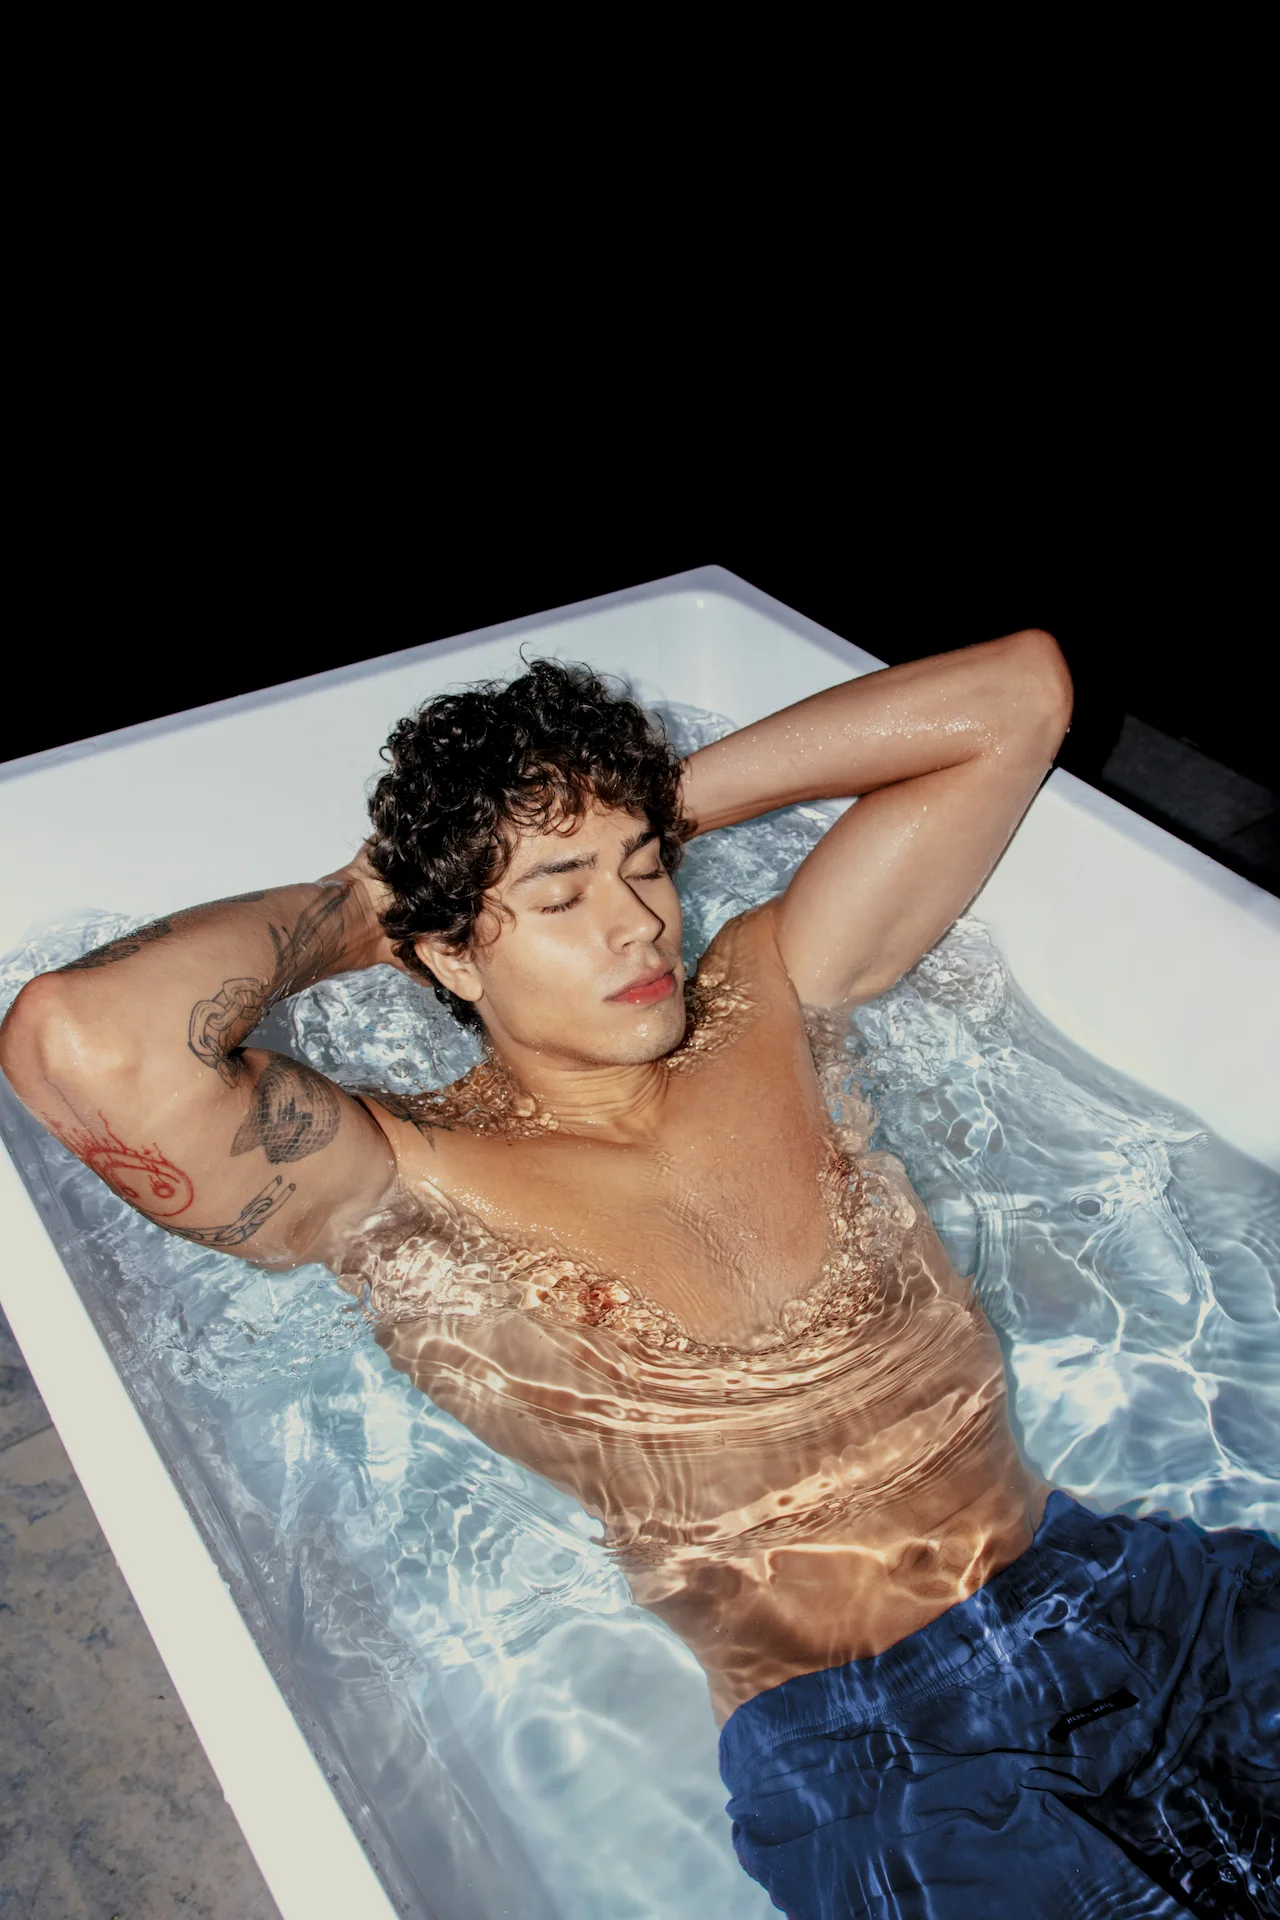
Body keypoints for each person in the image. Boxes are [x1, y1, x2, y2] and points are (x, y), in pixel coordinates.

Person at [1, 637, 1275, 1919]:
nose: (638, 923)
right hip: (879, 1749)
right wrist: (380, 904)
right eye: (559, 902)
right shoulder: (400, 1180)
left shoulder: (766, 994)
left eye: (649, 870)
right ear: (446, 956)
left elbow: (1015, 698)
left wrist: (621, 813)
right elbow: (78, 1040)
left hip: (1118, 1589)